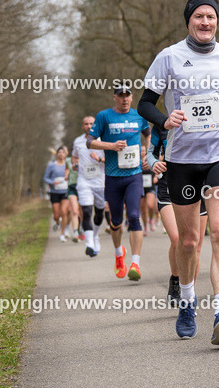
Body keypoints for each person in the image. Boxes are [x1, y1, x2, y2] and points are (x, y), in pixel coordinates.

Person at [139, 0, 219, 345]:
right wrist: (166, 120)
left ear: (217, 21)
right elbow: (144, 104)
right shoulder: (169, 57)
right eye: (199, 17)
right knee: (189, 241)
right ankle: (186, 299)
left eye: (211, 16)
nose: (206, 23)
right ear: (188, 22)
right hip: (182, 159)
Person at [88, 86, 150, 281]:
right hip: (113, 176)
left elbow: (148, 134)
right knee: (115, 221)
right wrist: (111, 146)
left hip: (134, 174)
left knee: (133, 216)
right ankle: (118, 255)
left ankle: (136, 264)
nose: (125, 99)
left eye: (128, 96)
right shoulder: (104, 116)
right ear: (114, 97)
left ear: (132, 98)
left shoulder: (139, 116)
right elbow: (90, 141)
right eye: (121, 96)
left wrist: (147, 152)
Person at [147, 123, 206, 305]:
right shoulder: (162, 125)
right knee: (177, 238)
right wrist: (154, 163)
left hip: (199, 188)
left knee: (195, 246)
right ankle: (175, 279)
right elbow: (151, 153)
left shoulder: (204, 121)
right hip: (168, 188)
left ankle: (189, 297)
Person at [72, 115, 106, 257]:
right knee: (86, 211)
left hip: (100, 181)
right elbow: (74, 156)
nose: (89, 126)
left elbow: (110, 159)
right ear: (82, 126)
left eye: (91, 123)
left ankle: (95, 235)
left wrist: (98, 158)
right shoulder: (78, 141)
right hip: (84, 181)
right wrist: (75, 164)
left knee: (99, 213)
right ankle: (89, 244)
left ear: (95, 125)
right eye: (86, 123)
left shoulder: (102, 140)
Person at [43, 147, 70, 241]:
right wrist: (52, 182)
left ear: (65, 154)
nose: (61, 154)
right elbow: (45, 178)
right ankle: (58, 223)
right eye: (59, 152)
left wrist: (68, 179)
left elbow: (73, 175)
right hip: (55, 192)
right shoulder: (51, 165)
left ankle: (62, 234)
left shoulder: (68, 164)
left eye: (63, 152)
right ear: (57, 154)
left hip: (65, 191)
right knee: (56, 215)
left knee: (64, 212)